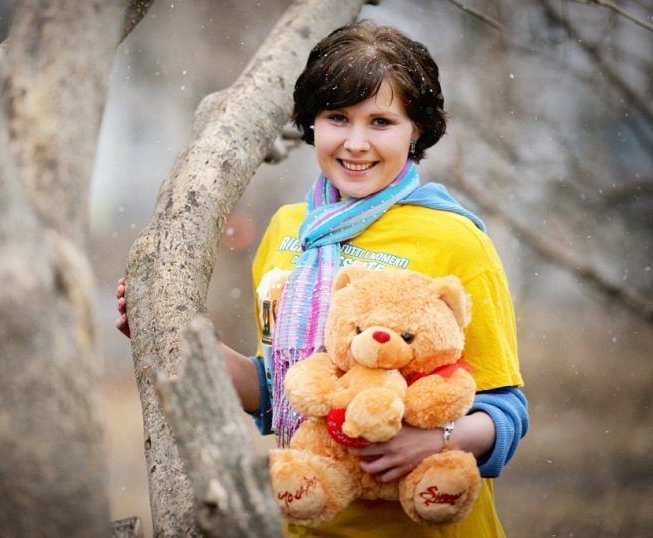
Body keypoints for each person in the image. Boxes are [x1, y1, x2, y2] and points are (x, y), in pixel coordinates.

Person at [117, 19, 528, 537]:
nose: (356, 143)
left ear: (417, 129)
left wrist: (437, 440)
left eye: (381, 122)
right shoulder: (290, 231)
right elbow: (280, 392)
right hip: (303, 523)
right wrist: (167, 333)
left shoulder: (455, 240)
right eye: (337, 117)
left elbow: (505, 408)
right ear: (311, 122)